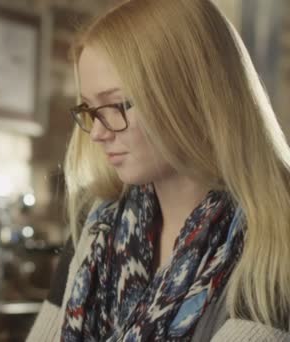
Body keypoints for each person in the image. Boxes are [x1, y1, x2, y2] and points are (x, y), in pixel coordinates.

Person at [27, 0, 290, 340]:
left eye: (117, 104)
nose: (97, 132)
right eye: (91, 109)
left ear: (192, 93)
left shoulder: (275, 235)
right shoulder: (96, 226)